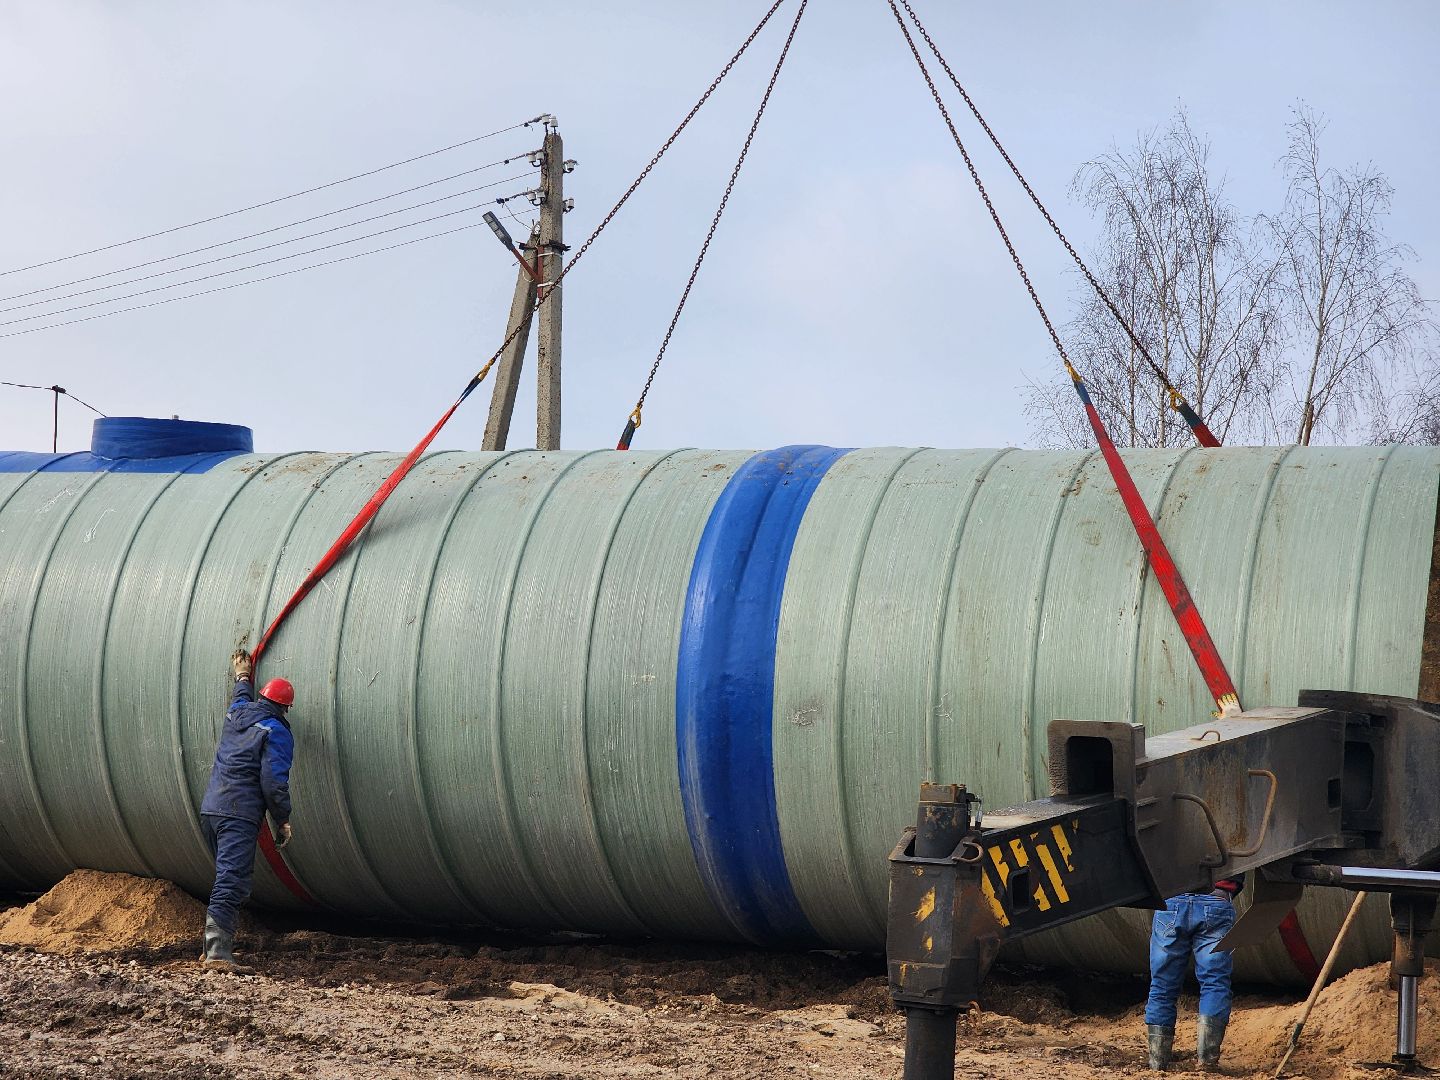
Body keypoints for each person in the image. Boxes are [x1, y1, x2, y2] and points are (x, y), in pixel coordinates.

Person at [198, 647, 296, 973]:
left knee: (228, 877)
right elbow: (273, 782)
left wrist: (243, 673)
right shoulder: (277, 730)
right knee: (232, 879)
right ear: (285, 708)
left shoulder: (235, 713)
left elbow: (241, 695)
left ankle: (213, 948)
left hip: (211, 809)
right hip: (238, 814)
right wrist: (282, 820)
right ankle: (217, 954)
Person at [1145, 874, 1244, 1071]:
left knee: (1162, 984)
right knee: (1215, 982)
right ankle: (1207, 1062)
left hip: (1172, 900)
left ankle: (1157, 1062)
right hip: (1216, 900)